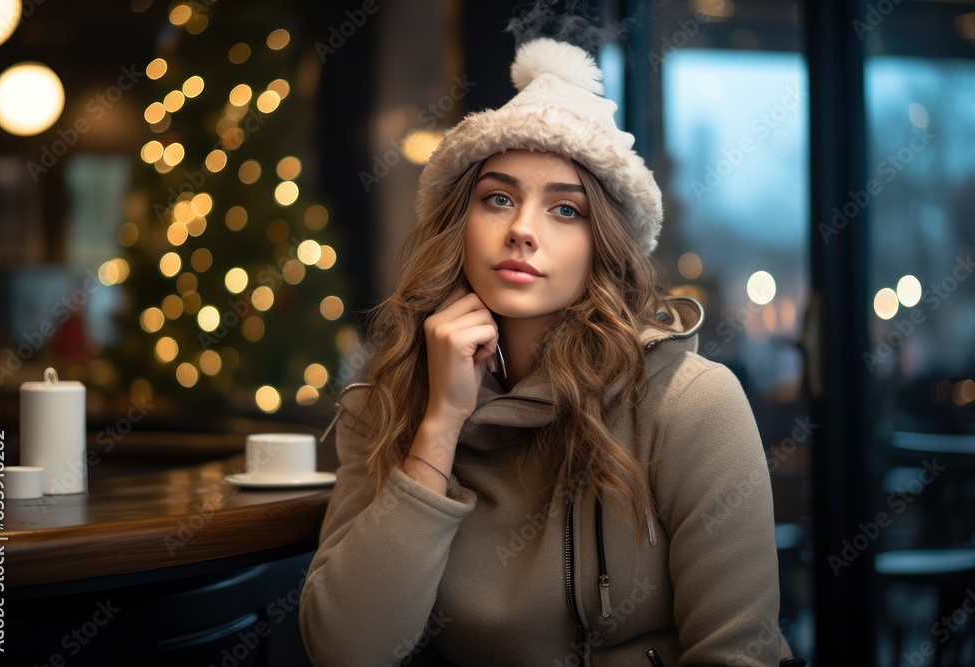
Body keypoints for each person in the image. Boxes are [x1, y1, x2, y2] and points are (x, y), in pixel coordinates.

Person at [300, 28, 800, 667]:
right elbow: (346, 650)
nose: (522, 231)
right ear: (461, 226)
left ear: (604, 246)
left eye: (566, 210)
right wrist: (439, 428)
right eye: (499, 199)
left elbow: (739, 655)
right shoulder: (388, 400)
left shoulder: (691, 404)